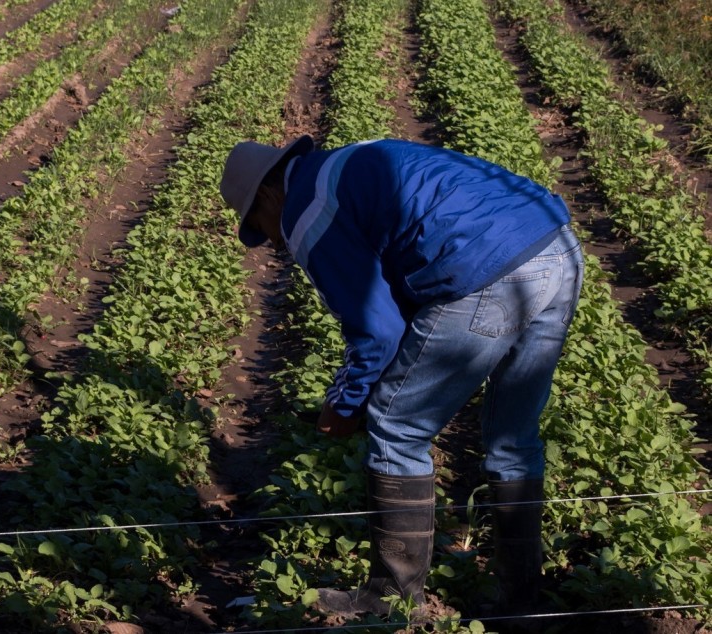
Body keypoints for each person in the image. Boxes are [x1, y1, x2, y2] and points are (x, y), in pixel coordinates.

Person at [218, 136, 584, 617]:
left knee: (397, 428)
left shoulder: (306, 212)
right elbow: (403, 297)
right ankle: (522, 603)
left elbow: (377, 331)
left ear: (268, 195)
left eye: (259, 225)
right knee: (513, 438)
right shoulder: (342, 168)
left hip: (487, 269)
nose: (272, 241)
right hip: (556, 246)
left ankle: (391, 598)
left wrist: (345, 406)